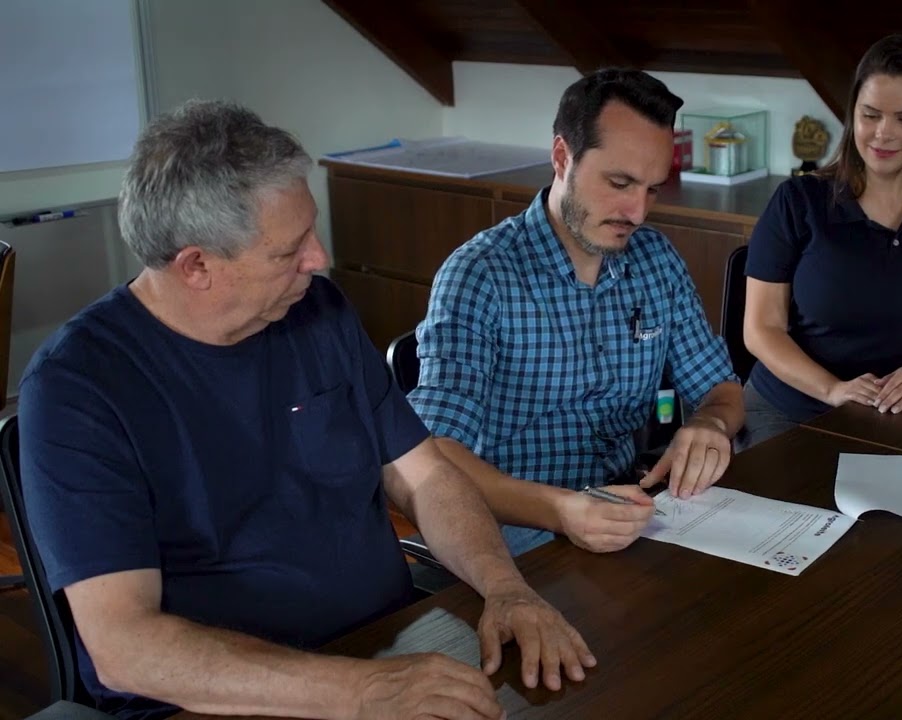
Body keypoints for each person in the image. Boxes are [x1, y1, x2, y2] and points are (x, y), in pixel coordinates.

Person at [18, 100, 594, 720]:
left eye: (310, 232)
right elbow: (124, 647)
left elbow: (424, 475)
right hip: (224, 700)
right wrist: (361, 692)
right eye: (288, 250)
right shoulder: (78, 387)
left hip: (384, 645)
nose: (318, 259)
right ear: (196, 266)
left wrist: (505, 587)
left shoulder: (314, 309)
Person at [409, 68, 745, 558]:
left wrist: (710, 425)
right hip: (511, 529)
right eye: (619, 182)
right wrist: (563, 510)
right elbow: (435, 455)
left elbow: (722, 389)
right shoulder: (480, 275)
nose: (637, 212)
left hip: (627, 511)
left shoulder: (656, 259)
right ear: (563, 157)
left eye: (652, 188)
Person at [737, 34, 902, 449]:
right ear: (853, 116)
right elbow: (761, 329)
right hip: (791, 411)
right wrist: (832, 390)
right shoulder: (799, 201)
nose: (883, 133)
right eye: (870, 115)